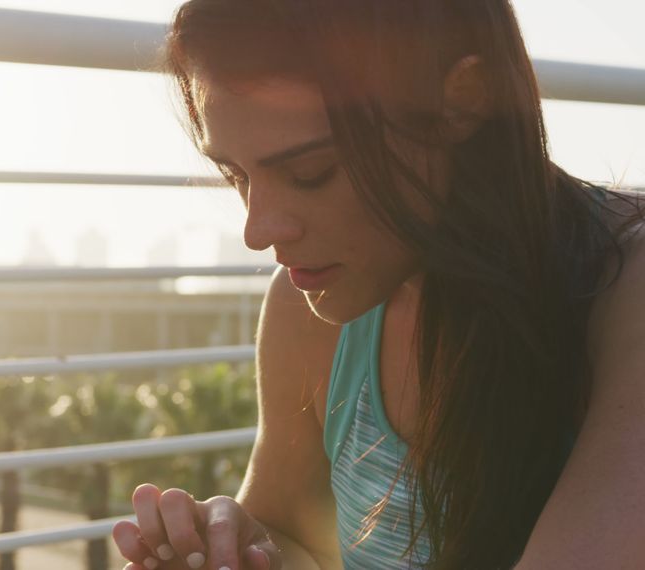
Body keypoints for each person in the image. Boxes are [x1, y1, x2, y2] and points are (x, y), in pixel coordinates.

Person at [111, 1, 645, 569]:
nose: (258, 230)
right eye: (238, 175)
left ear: (462, 98)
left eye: (309, 172)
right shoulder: (310, 304)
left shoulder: (625, 288)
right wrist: (242, 554)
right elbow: (297, 534)